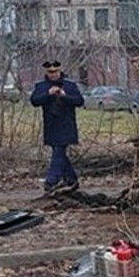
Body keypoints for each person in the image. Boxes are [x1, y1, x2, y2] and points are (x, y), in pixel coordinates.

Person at [29, 60, 85, 194]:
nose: (53, 75)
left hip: (66, 124)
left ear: (60, 71)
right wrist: (48, 94)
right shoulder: (41, 86)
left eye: (55, 72)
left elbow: (79, 101)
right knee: (59, 153)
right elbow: (34, 101)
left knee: (58, 152)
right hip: (51, 125)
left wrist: (64, 96)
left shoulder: (69, 85)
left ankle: (51, 181)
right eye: (50, 72)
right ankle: (71, 180)